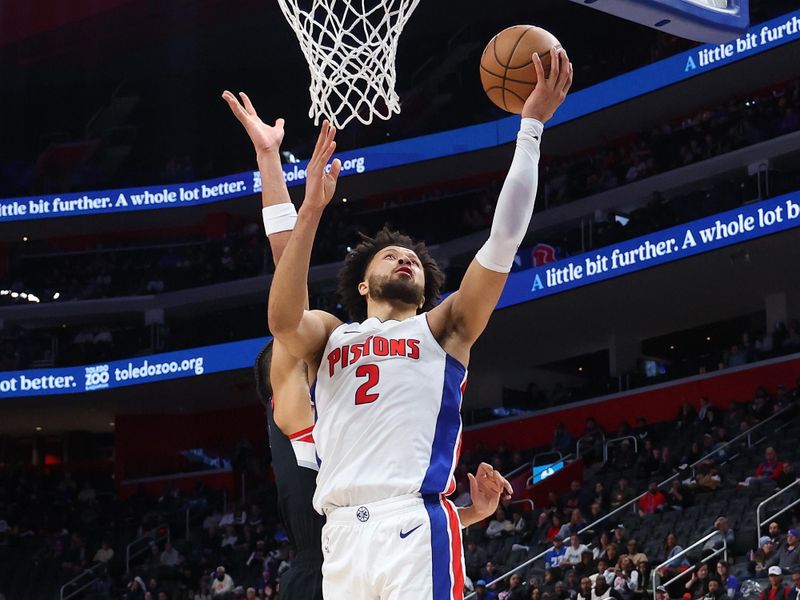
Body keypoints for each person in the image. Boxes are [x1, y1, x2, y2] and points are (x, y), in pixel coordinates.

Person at [267, 49, 572, 599]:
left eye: (412, 260)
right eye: (390, 256)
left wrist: (531, 129)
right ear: (362, 284)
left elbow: (503, 239)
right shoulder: (331, 336)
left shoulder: (444, 329)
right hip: (340, 536)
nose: (404, 258)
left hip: (411, 523)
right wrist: (309, 208)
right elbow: (283, 318)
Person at [225, 89, 324, 600]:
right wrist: (269, 160)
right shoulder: (295, 410)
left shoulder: (351, 420)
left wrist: (468, 514)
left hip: (378, 563)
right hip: (322, 578)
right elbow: (290, 269)